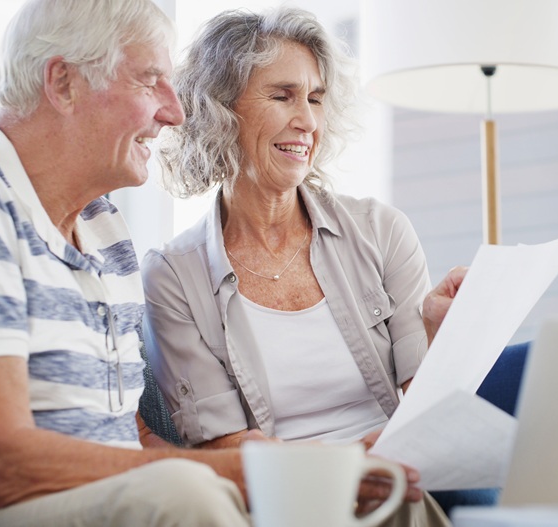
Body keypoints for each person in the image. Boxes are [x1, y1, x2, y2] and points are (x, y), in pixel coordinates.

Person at [0, 1, 422, 525]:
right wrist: (258, 473)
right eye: (149, 81)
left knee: (385, 500)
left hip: (125, 497)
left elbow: (128, 434)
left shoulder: (103, 226)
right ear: (63, 83)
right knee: (187, 492)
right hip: (19, 507)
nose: (175, 112)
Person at [141, 7, 461, 526]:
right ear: (222, 110)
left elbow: (424, 417)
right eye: (282, 96)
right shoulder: (173, 276)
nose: (308, 121)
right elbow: (227, 445)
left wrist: (439, 335)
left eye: (315, 99)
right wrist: (341, 469)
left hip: (394, 482)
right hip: (284, 497)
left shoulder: (381, 231)